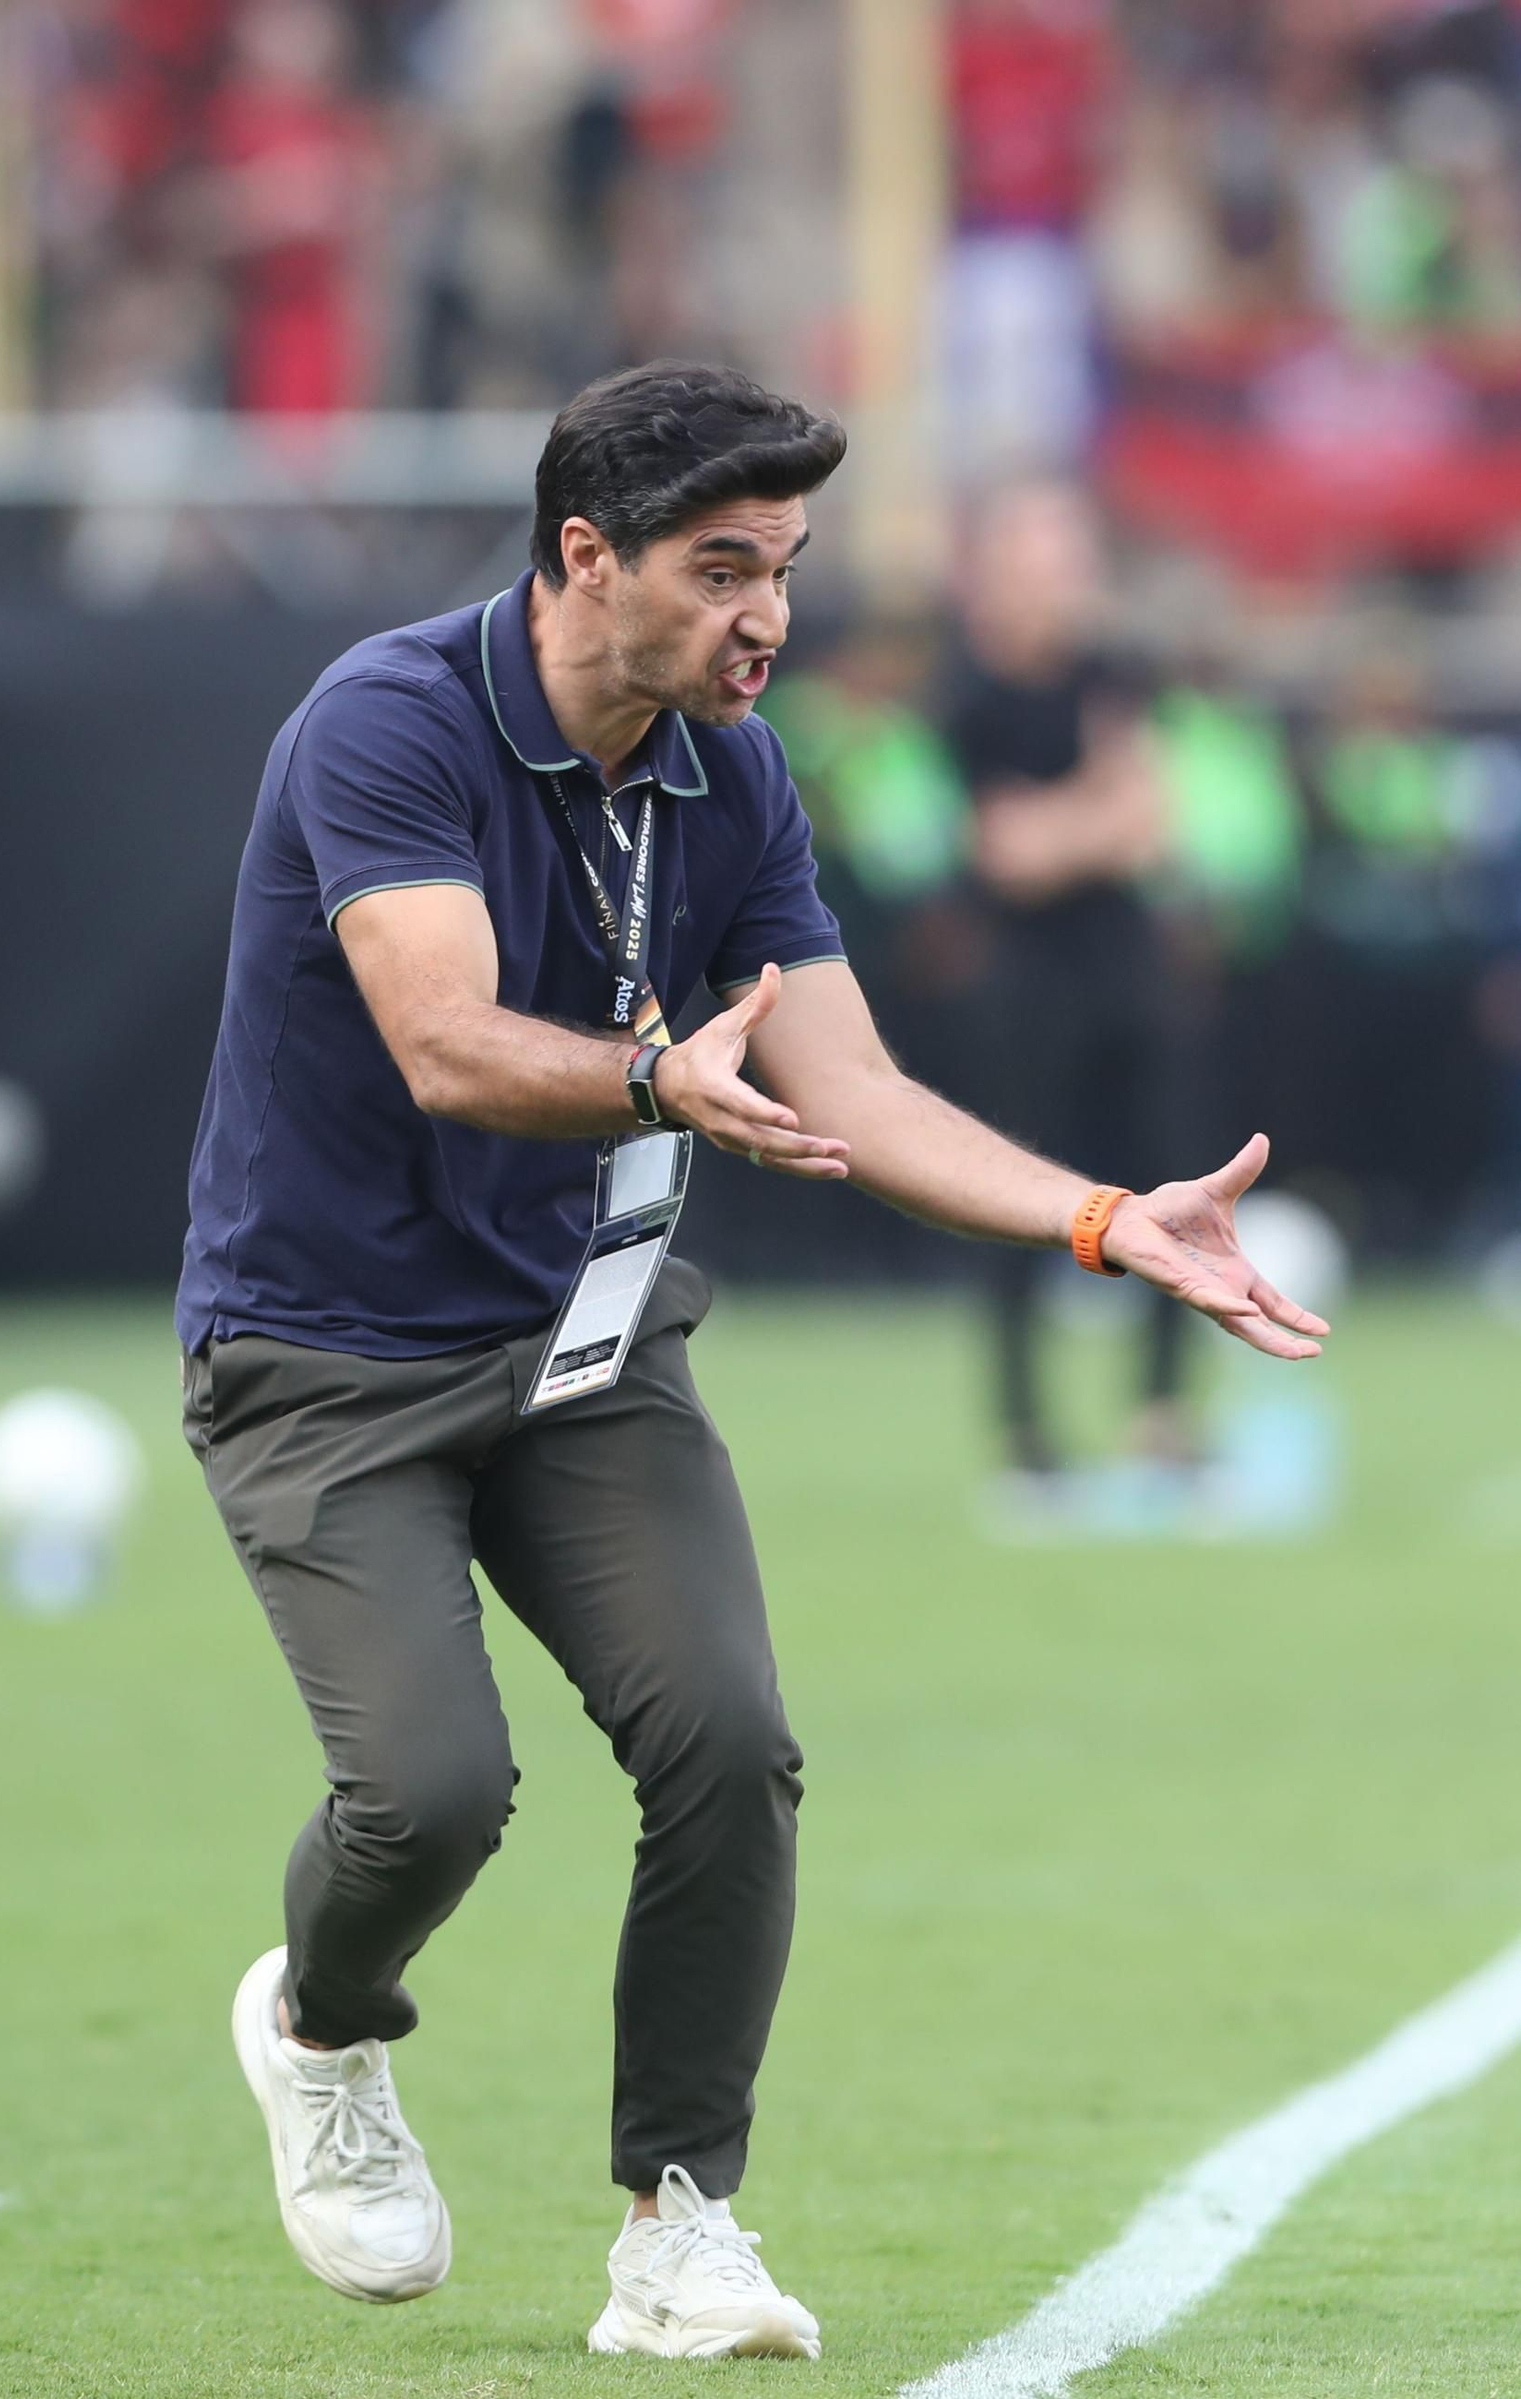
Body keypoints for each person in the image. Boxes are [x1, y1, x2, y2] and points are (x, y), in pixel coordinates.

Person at [176, 362, 1326, 2362]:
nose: (765, 617)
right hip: (325, 1351)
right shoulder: (386, 718)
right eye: (721, 571)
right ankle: (318, 2018)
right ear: (579, 557)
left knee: (727, 1738)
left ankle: (676, 2220)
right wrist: (651, 1075)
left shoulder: (738, 771)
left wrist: (1098, 1217)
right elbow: (443, 1038)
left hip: (574, 1346)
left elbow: (854, 1084)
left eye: (783, 569)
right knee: (433, 1790)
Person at [936, 477, 1201, 1494]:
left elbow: (1151, 820)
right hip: (1022, 976)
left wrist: (1077, 820)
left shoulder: (1113, 672)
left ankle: (1162, 1412)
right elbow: (1010, 855)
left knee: (1172, 1178)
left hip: (1124, 967)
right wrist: (1098, 808)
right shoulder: (970, 695)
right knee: (1014, 1193)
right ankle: (1023, 1427)